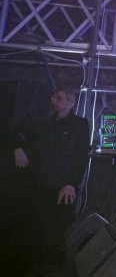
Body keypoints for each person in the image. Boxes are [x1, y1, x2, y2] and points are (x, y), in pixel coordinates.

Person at [12, 88, 89, 264]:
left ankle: (53, 265)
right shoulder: (45, 124)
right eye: (53, 98)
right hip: (38, 183)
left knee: (57, 229)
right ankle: (33, 262)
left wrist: (71, 183)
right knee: (34, 226)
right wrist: (18, 147)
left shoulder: (79, 124)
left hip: (60, 185)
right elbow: (20, 133)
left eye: (59, 98)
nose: (54, 101)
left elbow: (80, 156)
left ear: (70, 102)